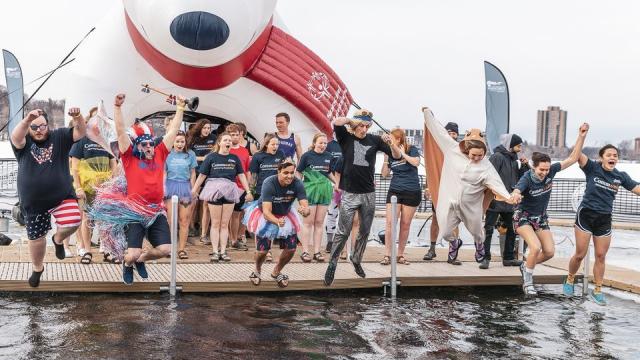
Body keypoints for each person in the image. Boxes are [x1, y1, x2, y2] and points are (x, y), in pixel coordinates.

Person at [99, 93, 185, 285]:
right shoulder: (129, 158)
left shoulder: (160, 154)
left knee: (165, 250)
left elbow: (173, 132)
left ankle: (141, 260)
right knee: (131, 254)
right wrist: (118, 107)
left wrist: (180, 108)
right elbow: (121, 132)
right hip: (134, 212)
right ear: (137, 147)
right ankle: (129, 263)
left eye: (150, 144)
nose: (148, 147)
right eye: (144, 144)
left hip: (155, 211)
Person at [422, 107, 516, 266]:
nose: (478, 158)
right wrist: (427, 115)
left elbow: (496, 183)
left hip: (472, 207)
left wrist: (509, 197)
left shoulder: (485, 165)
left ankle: (479, 246)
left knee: (477, 233)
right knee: (444, 233)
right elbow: (439, 133)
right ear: (466, 149)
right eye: (474, 155)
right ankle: (454, 243)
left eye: (481, 155)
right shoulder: (452, 150)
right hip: (452, 204)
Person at [324, 109, 402, 286]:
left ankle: (356, 259)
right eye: (362, 125)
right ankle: (332, 264)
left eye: (367, 125)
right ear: (355, 125)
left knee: (364, 231)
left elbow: (396, 156)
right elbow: (337, 122)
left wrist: (392, 143)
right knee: (343, 231)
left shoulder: (374, 140)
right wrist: (353, 121)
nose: (364, 129)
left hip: (368, 193)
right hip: (350, 193)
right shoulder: (345, 138)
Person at [10, 108, 86, 287]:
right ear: (29, 127)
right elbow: (15, 136)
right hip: (33, 201)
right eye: (34, 126)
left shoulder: (59, 136)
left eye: (42, 126)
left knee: (74, 219)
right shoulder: (24, 142)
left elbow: (80, 132)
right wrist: (27, 119)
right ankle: (38, 269)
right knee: (36, 239)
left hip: (61, 196)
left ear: (48, 126)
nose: (38, 130)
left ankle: (58, 240)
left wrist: (78, 117)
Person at [509, 124, 589, 295]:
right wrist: (515, 194)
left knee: (550, 252)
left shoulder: (551, 170)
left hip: (540, 218)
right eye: (541, 170)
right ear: (533, 166)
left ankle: (526, 265)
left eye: (546, 169)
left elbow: (573, 158)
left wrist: (581, 136)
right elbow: (517, 190)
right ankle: (528, 281)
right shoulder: (527, 178)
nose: (544, 173)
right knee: (535, 247)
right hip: (522, 217)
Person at [562, 143, 640, 305]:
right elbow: (576, 155)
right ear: (601, 158)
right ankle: (569, 279)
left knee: (600, 256)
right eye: (609, 155)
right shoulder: (592, 168)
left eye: (615, 155)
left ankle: (597, 290)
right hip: (586, 215)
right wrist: (582, 135)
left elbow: (637, 189)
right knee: (580, 254)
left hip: (604, 219)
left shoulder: (621, 176)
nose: (612, 157)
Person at [244, 159, 310, 287]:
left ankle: (276, 271)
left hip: (285, 214)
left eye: (292, 173)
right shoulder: (269, 182)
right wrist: (277, 221)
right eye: (286, 173)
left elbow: (305, 207)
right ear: (278, 171)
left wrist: (305, 211)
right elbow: (266, 212)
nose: (290, 176)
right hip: (266, 216)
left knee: (291, 249)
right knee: (263, 251)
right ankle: (257, 269)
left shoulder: (297, 183)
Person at [192, 133, 253, 262]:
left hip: (230, 190)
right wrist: (194, 190)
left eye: (230, 141)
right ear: (219, 142)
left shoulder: (234, 158)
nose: (228, 142)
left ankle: (223, 251)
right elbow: (202, 175)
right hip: (214, 190)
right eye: (225, 140)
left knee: (225, 223)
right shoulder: (211, 157)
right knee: (215, 223)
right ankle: (215, 251)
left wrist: (248, 191)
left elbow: (241, 175)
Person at [70, 121, 117, 265]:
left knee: (105, 220)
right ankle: (87, 250)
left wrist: (113, 184)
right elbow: (75, 168)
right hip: (87, 188)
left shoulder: (106, 142)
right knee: (87, 218)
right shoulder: (81, 141)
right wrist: (78, 188)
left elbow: (113, 164)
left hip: (105, 187)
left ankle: (107, 251)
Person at [480, 134, 529, 269]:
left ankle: (508, 258)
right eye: (518, 145)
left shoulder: (513, 159)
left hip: (509, 200)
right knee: (488, 229)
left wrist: (525, 166)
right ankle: (485, 258)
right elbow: (489, 176)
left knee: (512, 229)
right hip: (495, 200)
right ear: (511, 144)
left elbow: (519, 179)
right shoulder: (497, 157)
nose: (520, 148)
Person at [380, 128, 421, 265]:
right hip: (395, 190)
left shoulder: (412, 149)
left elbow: (416, 162)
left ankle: (400, 254)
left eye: (391, 138)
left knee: (405, 224)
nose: (389, 140)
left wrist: (403, 153)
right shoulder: (390, 152)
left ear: (398, 139)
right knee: (390, 223)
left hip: (412, 190)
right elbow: (384, 174)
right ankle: (387, 254)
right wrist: (386, 159)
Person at [296, 133, 338, 262]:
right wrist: (298, 188)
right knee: (308, 222)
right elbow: (298, 172)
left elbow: (328, 172)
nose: (323, 145)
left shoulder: (328, 156)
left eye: (325, 143)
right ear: (314, 143)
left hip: (324, 191)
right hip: (310, 190)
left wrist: (336, 184)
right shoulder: (306, 156)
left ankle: (317, 251)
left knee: (319, 222)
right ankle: (305, 251)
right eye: (320, 143)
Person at [423, 122, 460, 260]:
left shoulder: (460, 150)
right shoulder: (438, 148)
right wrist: (428, 187)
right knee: (436, 219)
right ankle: (432, 249)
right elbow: (431, 169)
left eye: (454, 133)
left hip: (455, 190)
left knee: (454, 221)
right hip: (439, 189)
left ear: (457, 135)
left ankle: (453, 253)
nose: (451, 135)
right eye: (449, 132)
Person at [249, 133, 285, 262]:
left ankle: (268, 249)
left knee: (272, 221)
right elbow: (253, 176)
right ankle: (260, 248)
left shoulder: (280, 155)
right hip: (261, 192)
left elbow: (283, 173)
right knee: (261, 222)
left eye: (277, 144)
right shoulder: (258, 156)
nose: (275, 146)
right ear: (266, 144)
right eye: (273, 144)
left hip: (276, 193)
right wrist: (250, 191)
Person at [164, 130, 198, 260]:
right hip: (171, 186)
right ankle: (170, 248)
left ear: (185, 142)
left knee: (184, 220)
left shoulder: (190, 154)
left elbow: (193, 172)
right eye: (177, 141)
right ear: (173, 141)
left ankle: (182, 249)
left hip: (185, 187)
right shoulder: (167, 153)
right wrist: (163, 187)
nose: (179, 144)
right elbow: (164, 172)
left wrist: (193, 189)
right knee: (170, 220)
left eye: (182, 141)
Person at [187, 119, 216, 245]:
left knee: (205, 202)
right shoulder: (193, 139)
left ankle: (202, 230)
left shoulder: (213, 138)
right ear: (200, 128)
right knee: (193, 201)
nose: (207, 130)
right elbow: (187, 154)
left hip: (210, 173)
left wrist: (208, 159)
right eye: (205, 128)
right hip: (196, 171)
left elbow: (216, 151)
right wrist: (201, 158)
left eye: (209, 128)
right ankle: (190, 226)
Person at [227, 124, 252, 251]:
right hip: (229, 186)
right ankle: (231, 238)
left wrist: (248, 187)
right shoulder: (226, 150)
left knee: (239, 214)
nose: (235, 137)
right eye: (232, 135)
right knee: (230, 215)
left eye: (237, 134)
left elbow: (247, 170)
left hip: (242, 186)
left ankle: (237, 238)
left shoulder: (244, 150)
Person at [324, 136, 343, 253]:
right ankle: (330, 242)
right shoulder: (329, 145)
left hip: (347, 184)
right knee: (332, 213)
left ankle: (341, 241)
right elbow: (326, 165)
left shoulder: (349, 142)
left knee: (345, 215)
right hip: (333, 183)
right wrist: (335, 182)